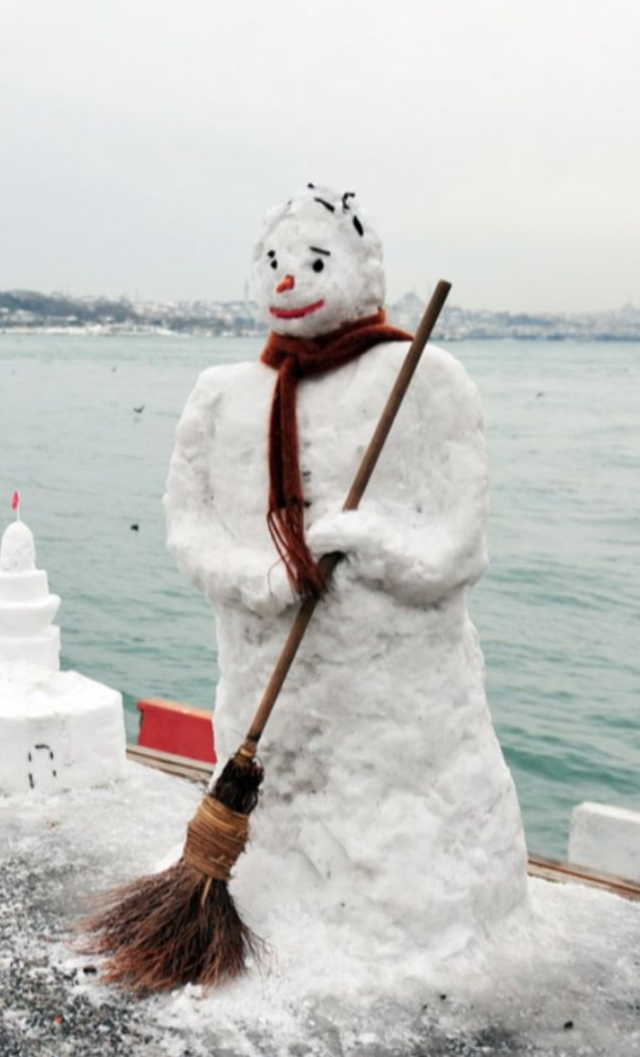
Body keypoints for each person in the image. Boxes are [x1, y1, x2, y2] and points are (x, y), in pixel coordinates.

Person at [162, 185, 529, 967]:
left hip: (403, 732)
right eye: (271, 262)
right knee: (279, 825)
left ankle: (397, 938)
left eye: (314, 260)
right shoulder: (223, 396)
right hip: (263, 694)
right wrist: (261, 578)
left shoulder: (425, 380)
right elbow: (187, 529)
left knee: (395, 856)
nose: (287, 279)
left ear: (361, 271)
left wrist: (372, 541)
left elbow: (459, 548)